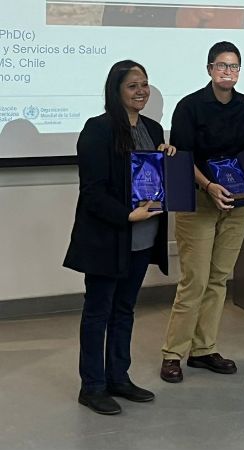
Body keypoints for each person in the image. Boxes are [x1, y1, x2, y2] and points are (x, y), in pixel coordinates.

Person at [63, 60, 176, 414]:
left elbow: (156, 182)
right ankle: (92, 386)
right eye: (132, 85)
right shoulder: (97, 130)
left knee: (125, 309)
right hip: (109, 237)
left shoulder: (154, 129)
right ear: (116, 91)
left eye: (145, 84)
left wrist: (168, 159)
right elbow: (92, 191)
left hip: (144, 238)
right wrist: (127, 214)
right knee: (98, 312)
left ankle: (118, 377)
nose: (141, 90)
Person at [160, 41, 244, 382]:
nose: (227, 72)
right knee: (195, 280)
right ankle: (173, 353)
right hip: (199, 200)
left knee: (219, 279)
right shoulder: (189, 107)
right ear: (209, 69)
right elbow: (182, 157)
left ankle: (203, 350)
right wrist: (209, 187)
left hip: (237, 203)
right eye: (221, 66)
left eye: (233, 67)